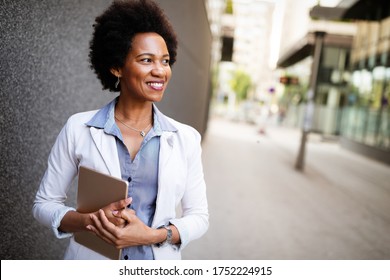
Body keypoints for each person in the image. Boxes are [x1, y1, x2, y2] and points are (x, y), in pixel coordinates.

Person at [32, 0, 209, 260]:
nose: (160, 71)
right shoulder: (78, 128)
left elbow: (199, 217)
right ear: (117, 66)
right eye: (146, 60)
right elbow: (43, 205)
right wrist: (88, 221)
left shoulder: (186, 139)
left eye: (165, 61)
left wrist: (153, 235)